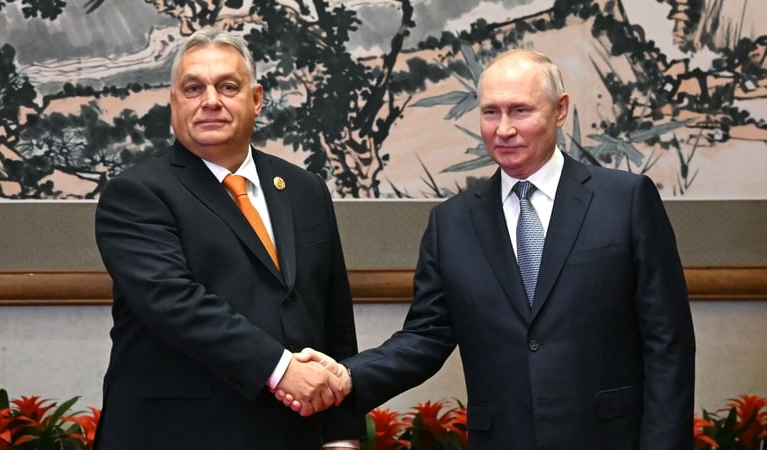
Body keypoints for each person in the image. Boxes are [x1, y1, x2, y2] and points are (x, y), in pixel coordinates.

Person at [283, 49, 696, 449]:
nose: (503, 129)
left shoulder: (624, 200)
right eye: (490, 112)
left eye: (520, 110)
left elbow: (668, 342)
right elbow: (425, 337)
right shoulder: (452, 223)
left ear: (560, 108)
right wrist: (347, 375)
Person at [93, 29, 363, 449]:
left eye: (228, 87)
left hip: (293, 435)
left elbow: (334, 319)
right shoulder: (137, 194)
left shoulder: (305, 189)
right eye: (193, 88)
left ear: (256, 99)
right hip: (177, 435)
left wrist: (342, 434)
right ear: (173, 102)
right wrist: (281, 368)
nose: (211, 101)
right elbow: (174, 302)